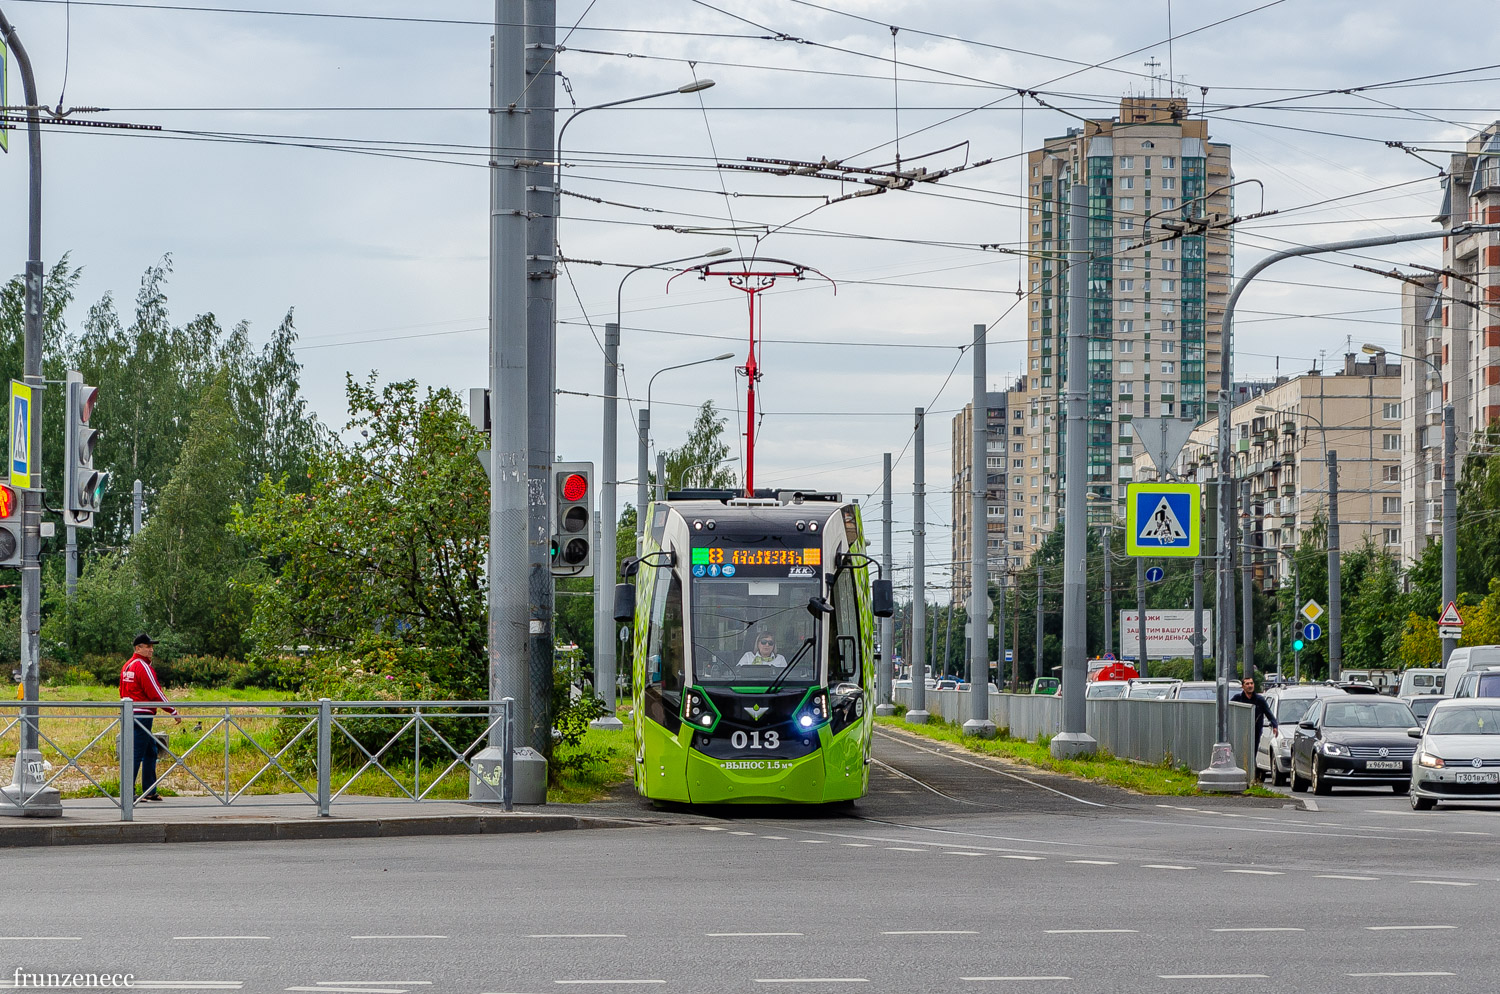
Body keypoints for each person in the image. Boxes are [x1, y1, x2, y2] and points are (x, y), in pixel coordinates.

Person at [119, 634, 180, 802]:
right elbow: (155, 691)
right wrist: (172, 710)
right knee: (136, 753)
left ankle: (150, 790)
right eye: (147, 646)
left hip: (130, 713)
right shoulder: (142, 666)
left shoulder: (127, 666)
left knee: (150, 750)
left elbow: (122, 690)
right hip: (142, 714)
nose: (151, 649)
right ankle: (128, 793)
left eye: (152, 646)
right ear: (138, 648)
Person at [1231, 675, 1279, 775]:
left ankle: (1250, 775)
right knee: (1240, 753)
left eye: (1251, 683)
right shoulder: (1237, 698)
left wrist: (1275, 726)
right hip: (1240, 731)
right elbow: (1229, 711)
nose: (1250, 686)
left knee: (1252, 753)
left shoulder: (1259, 700)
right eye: (1247, 684)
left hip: (1255, 732)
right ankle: (1239, 773)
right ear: (1243, 687)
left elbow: (1269, 713)